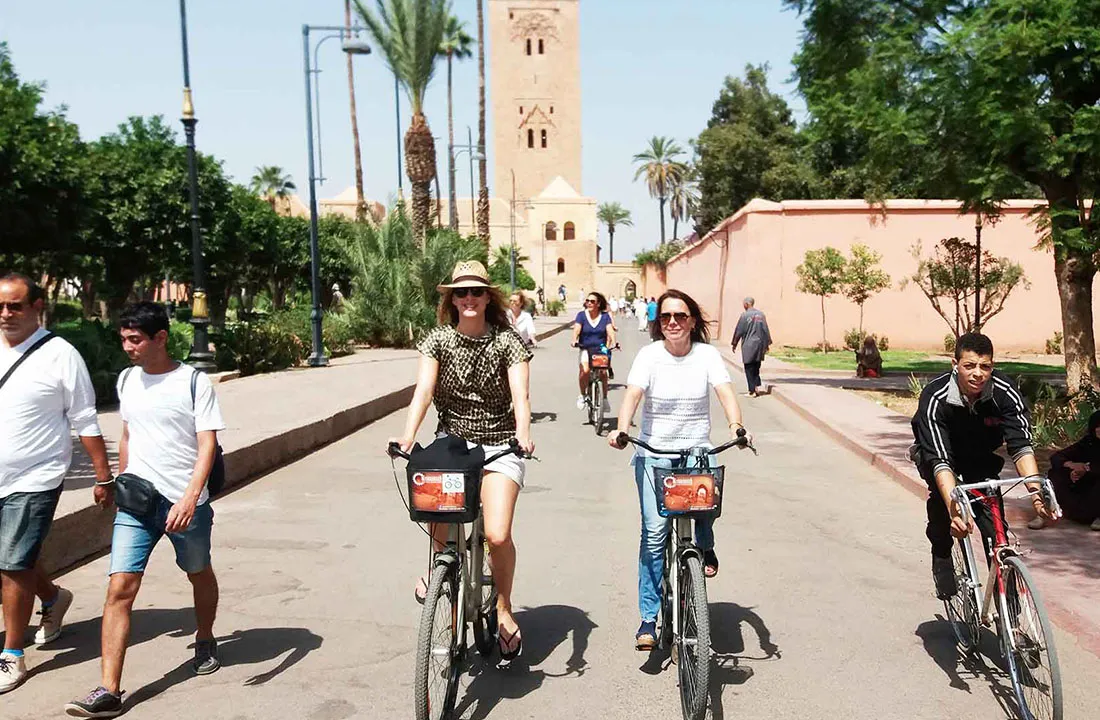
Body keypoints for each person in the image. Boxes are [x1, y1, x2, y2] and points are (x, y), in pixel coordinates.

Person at [66, 302, 226, 718]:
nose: (127, 347)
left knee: (197, 571)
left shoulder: (193, 382)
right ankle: (109, 689)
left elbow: (206, 444)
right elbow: (127, 433)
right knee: (120, 587)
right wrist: (116, 480)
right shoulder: (126, 379)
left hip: (184, 504)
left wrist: (190, 498)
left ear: (160, 338)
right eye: (124, 339)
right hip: (137, 503)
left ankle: (205, 636)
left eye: (135, 339)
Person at [389, 261, 533, 661]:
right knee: (437, 515)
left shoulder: (508, 342)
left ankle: (503, 607)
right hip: (453, 444)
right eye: (461, 292)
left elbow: (521, 396)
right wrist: (407, 436)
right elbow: (423, 390)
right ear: (452, 299)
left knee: (498, 534)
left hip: (501, 444)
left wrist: (523, 433)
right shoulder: (437, 340)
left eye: (476, 291)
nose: (468, 298)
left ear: (489, 297)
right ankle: (440, 568)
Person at [609, 289, 751, 650]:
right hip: (654, 454)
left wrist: (737, 427)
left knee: (708, 500)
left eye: (681, 316)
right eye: (667, 317)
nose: (673, 323)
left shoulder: (706, 355)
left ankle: (704, 543)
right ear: (659, 323)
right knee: (654, 536)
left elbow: (725, 393)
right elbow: (633, 395)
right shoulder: (649, 356)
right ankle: (649, 618)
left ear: (692, 322)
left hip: (695, 452)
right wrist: (623, 427)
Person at [0, 273, 111, 694]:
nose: (6, 314)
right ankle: (53, 597)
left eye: (15, 306)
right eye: (0, 307)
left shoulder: (61, 354)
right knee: (13, 559)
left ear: (36, 306)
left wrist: (103, 475)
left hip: (36, 475)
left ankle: (12, 655)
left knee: (11, 562)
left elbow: (84, 418)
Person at [910, 332, 1055, 600]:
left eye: (985, 366)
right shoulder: (935, 397)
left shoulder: (1005, 393)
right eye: (969, 366)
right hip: (940, 456)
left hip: (980, 458)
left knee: (996, 532)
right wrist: (956, 511)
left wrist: (1036, 494)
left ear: (992, 366)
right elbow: (941, 461)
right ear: (955, 364)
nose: (978, 373)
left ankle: (1011, 616)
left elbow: (1021, 446)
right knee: (944, 510)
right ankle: (941, 556)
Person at [1036, 410, 1100, 531]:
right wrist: (1071, 466)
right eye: (1098, 426)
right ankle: (1051, 510)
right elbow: (1057, 457)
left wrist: (1087, 469)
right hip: (1086, 487)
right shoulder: (1088, 442)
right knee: (1055, 473)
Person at [571, 291, 616, 414]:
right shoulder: (581, 315)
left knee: (603, 373)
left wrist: (613, 342)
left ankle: (604, 398)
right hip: (585, 347)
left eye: (592, 301)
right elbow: (577, 329)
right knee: (585, 371)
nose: (589, 303)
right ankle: (582, 395)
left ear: (598, 303)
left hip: (600, 348)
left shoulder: (605, 316)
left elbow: (610, 331)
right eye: (587, 301)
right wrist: (574, 340)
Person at [731, 296, 772, 397]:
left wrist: (734, 343)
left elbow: (739, 330)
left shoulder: (745, 316)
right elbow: (765, 330)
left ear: (746, 304)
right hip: (759, 344)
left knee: (749, 367)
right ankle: (756, 387)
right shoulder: (761, 315)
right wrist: (767, 344)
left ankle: (752, 390)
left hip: (749, 345)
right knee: (756, 366)